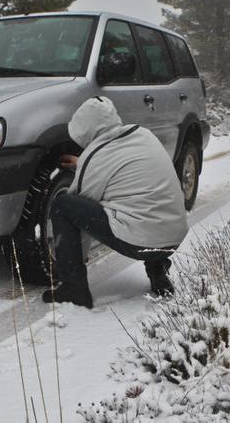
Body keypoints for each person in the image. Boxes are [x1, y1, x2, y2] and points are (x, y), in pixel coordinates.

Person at [43, 96, 189, 308]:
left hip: (140, 243)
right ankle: (159, 273)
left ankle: (74, 289)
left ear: (84, 129)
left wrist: (73, 258)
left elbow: (80, 209)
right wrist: (85, 163)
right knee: (145, 202)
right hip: (172, 238)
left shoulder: (96, 157)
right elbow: (122, 166)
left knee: (63, 206)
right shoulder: (142, 135)